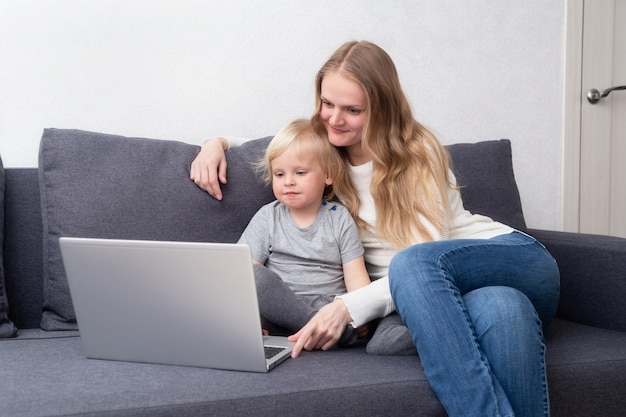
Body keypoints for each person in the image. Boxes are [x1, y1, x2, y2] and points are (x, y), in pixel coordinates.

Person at [190, 41, 560, 417]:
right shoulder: (326, 148)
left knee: (413, 265)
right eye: (327, 103)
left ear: (381, 109)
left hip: (510, 258)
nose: (334, 119)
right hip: (459, 294)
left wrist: (347, 308)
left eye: (352, 110)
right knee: (506, 309)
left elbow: (424, 263)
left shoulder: (418, 154)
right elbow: (280, 149)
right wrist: (215, 144)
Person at [238, 118, 371, 346]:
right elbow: (241, 273)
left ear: (327, 175)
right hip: (280, 310)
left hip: (326, 308)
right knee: (254, 275)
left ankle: (319, 327)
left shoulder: (339, 218)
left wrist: (364, 314)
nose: (288, 181)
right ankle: (314, 329)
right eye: (279, 175)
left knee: (328, 306)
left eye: (300, 172)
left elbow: (356, 276)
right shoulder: (268, 216)